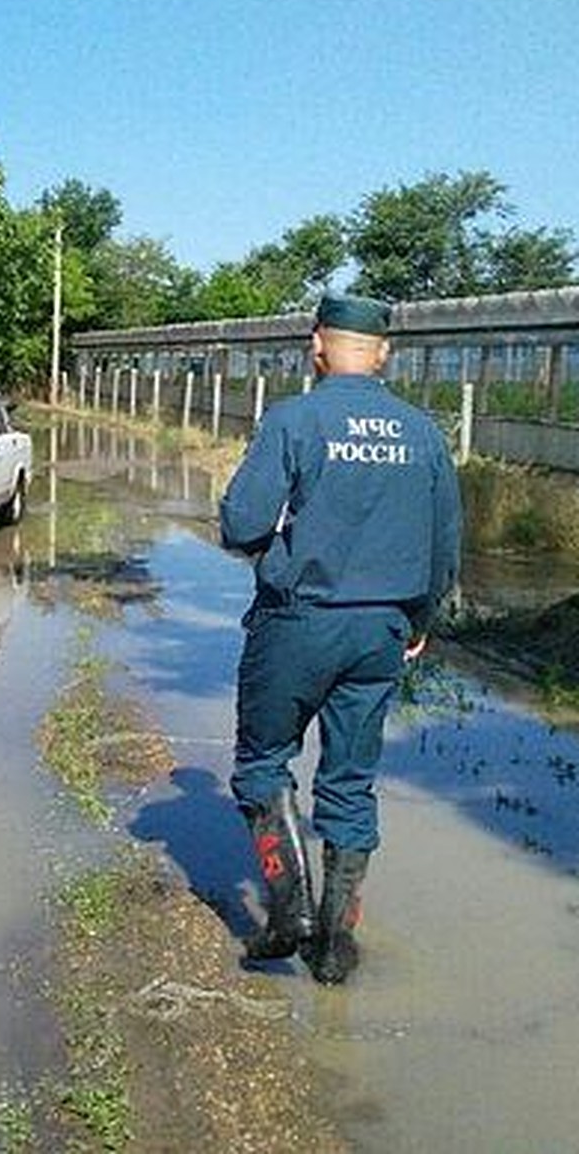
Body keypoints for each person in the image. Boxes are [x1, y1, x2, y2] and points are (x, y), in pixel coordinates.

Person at [219, 292, 462, 985]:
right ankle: (333, 946)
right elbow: (446, 543)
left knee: (264, 763)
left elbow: (241, 524)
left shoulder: (294, 420)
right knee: (351, 784)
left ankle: (289, 912)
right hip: (382, 630)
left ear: (317, 346)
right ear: (383, 352)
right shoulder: (423, 432)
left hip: (299, 621)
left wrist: (275, 550)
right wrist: (419, 622)